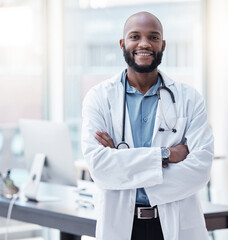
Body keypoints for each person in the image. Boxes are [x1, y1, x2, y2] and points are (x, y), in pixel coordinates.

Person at [81, 11, 214, 240]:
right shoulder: (99, 98)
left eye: (153, 37)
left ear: (162, 44)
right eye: (135, 36)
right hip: (121, 225)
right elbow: (100, 169)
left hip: (176, 224)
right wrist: (166, 155)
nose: (144, 43)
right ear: (123, 44)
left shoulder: (189, 99)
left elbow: (200, 170)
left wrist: (123, 163)